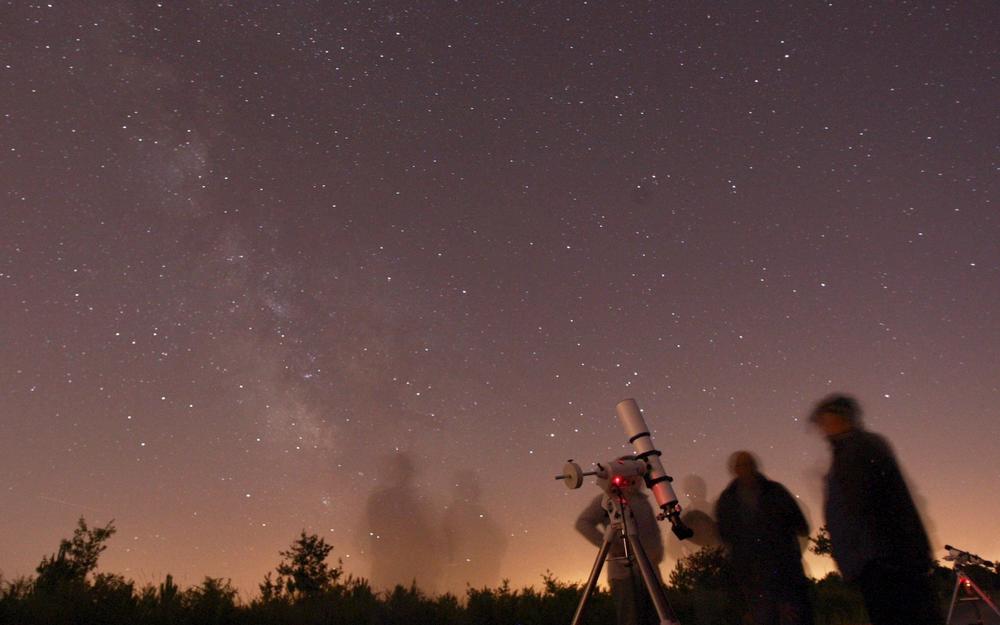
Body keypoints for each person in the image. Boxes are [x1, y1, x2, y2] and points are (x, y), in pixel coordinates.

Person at [810, 394, 943, 625]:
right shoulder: (850, 451)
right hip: (879, 559)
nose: (821, 427)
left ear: (839, 417)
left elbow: (870, 505)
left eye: (824, 419)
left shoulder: (859, 449)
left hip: (885, 559)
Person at [715, 451, 814, 625]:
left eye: (747, 464)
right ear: (735, 469)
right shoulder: (728, 500)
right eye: (742, 465)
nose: (745, 469)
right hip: (755, 580)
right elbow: (725, 537)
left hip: (784, 575)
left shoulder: (774, 492)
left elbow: (800, 525)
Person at [575, 463, 664, 625]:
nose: (637, 477)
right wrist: (607, 546)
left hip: (652, 573)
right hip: (624, 575)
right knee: (630, 620)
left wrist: (658, 554)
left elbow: (653, 533)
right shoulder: (608, 501)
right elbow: (583, 523)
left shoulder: (642, 501)